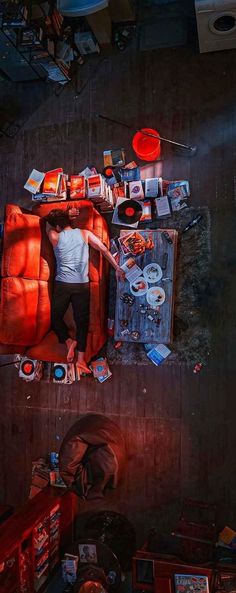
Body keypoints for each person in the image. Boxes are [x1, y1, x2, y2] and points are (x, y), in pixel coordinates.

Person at [46, 208, 125, 374]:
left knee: (54, 318)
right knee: (82, 322)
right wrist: (117, 267)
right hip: (81, 284)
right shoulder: (85, 233)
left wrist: (64, 218)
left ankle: (68, 342)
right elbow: (103, 249)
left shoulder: (54, 236)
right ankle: (80, 359)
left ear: (58, 227)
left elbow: (49, 228)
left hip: (63, 284)